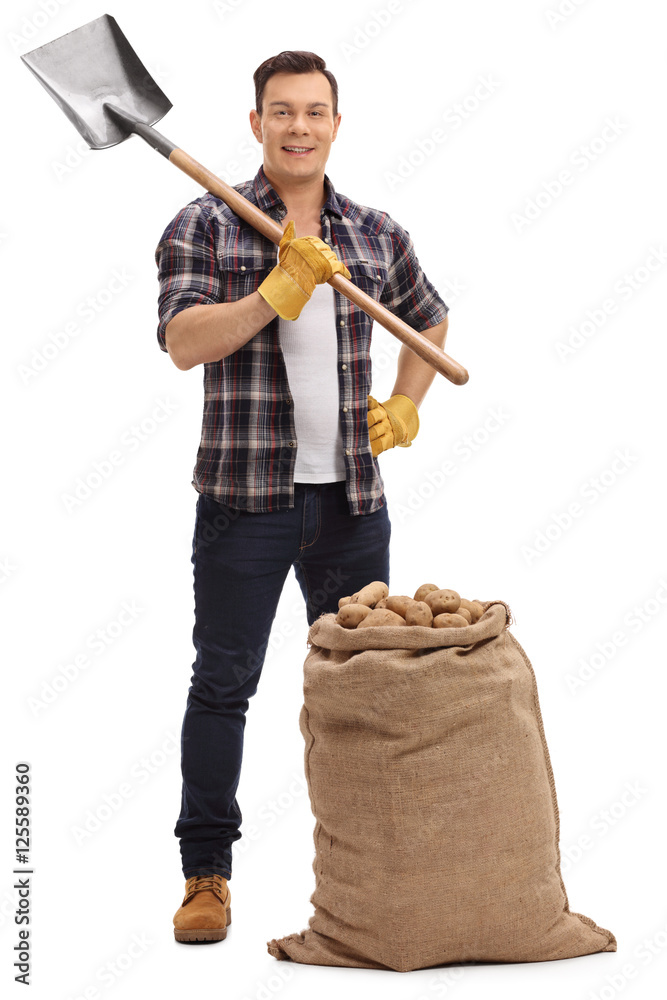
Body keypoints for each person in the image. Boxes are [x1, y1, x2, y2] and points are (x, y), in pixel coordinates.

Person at [155, 50, 450, 944]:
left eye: (314, 112)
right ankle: (207, 874)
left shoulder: (373, 232)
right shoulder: (207, 225)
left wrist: (406, 399)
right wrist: (274, 291)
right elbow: (182, 341)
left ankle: (373, 871)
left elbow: (428, 316)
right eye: (280, 112)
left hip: (353, 503)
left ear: (334, 124)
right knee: (224, 684)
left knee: (365, 686)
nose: (298, 127)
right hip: (248, 501)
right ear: (255, 125)